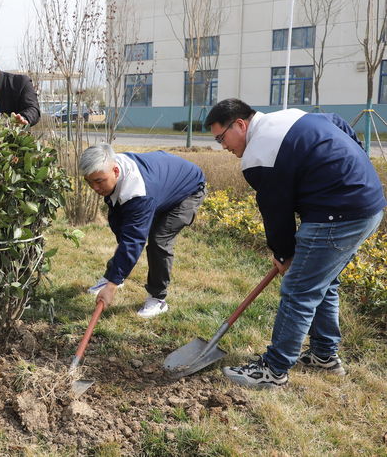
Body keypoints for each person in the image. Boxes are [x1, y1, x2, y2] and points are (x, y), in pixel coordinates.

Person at [205, 98, 386, 388]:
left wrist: (284, 253)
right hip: (368, 204)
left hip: (337, 213)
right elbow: (338, 123)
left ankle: (273, 371)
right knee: (322, 282)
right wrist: (355, 164)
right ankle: (323, 355)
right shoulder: (290, 116)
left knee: (300, 289)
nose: (223, 146)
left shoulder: (258, 155)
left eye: (221, 137)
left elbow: (276, 210)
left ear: (240, 124)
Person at [80, 144, 206, 318]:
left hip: (188, 190)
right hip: (162, 185)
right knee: (122, 229)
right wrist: (115, 277)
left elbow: (133, 241)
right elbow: (126, 235)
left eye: (99, 181)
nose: (94, 188)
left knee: (159, 241)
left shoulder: (137, 193)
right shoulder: (111, 165)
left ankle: (157, 299)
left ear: (116, 172)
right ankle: (115, 276)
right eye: (89, 182)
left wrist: (111, 288)